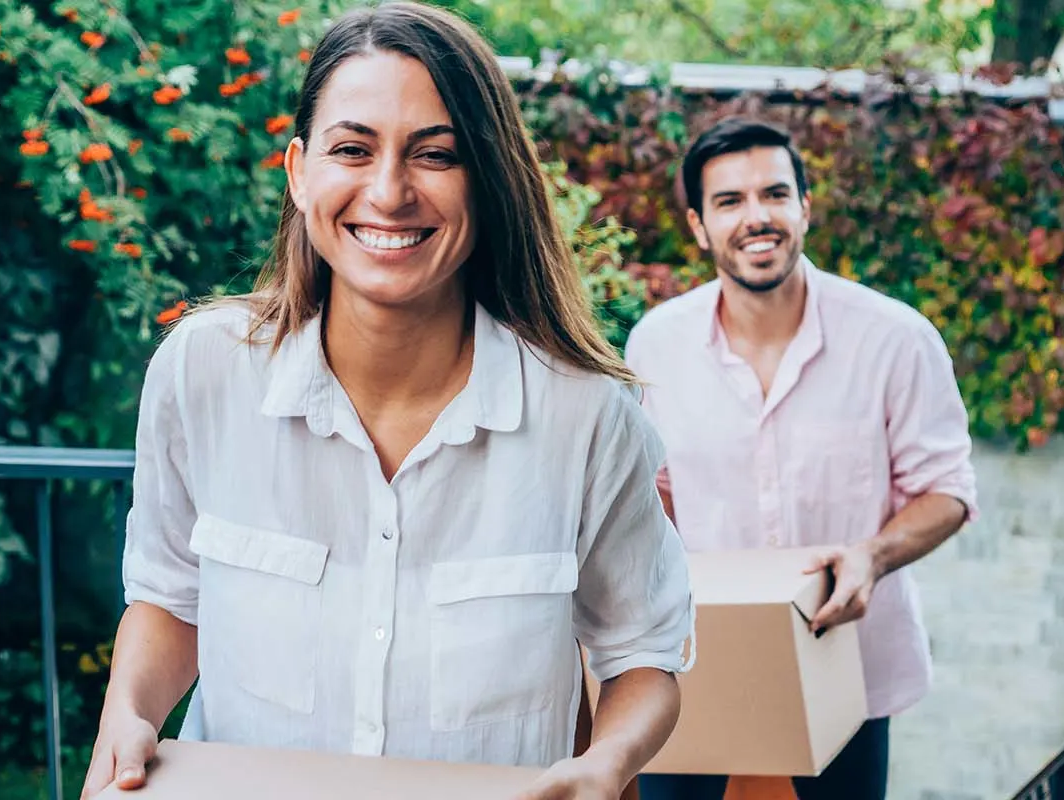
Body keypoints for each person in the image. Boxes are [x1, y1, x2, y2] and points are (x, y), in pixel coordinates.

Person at [81, 4, 695, 799]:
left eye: (435, 154)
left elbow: (643, 652)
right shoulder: (202, 372)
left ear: (489, 178)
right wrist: (127, 712)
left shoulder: (587, 417)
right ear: (300, 172)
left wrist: (606, 763)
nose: (390, 190)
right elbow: (169, 598)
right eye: (352, 148)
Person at [621, 117, 979, 800]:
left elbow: (948, 490)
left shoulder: (896, 340)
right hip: (701, 658)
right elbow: (656, 494)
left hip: (845, 656)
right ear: (698, 226)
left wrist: (871, 557)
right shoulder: (656, 344)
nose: (756, 217)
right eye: (729, 202)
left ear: (805, 208)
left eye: (774, 194)